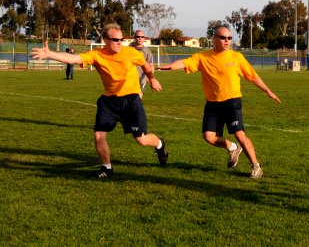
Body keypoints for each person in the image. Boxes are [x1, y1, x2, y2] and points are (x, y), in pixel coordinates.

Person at [32, 23, 169, 178]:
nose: (119, 42)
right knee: (99, 135)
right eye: (115, 39)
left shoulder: (130, 52)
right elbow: (74, 58)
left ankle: (159, 144)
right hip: (109, 101)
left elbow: (145, 66)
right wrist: (50, 54)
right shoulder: (97, 55)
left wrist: (152, 79)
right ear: (105, 39)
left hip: (131, 100)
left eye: (121, 39)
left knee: (141, 139)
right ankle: (106, 168)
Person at [159, 26, 281, 179]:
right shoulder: (203, 57)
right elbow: (185, 62)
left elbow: (252, 76)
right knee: (208, 136)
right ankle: (232, 148)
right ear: (214, 39)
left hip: (232, 102)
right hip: (213, 104)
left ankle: (256, 166)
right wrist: (171, 66)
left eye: (229, 38)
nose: (227, 41)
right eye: (223, 38)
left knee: (239, 134)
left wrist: (267, 90)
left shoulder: (236, 57)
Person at [130, 30, 154, 97]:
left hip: (141, 79)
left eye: (142, 37)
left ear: (144, 38)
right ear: (134, 37)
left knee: (138, 99)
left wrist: (151, 78)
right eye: (138, 36)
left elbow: (150, 65)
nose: (140, 38)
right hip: (129, 78)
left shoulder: (147, 51)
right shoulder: (128, 49)